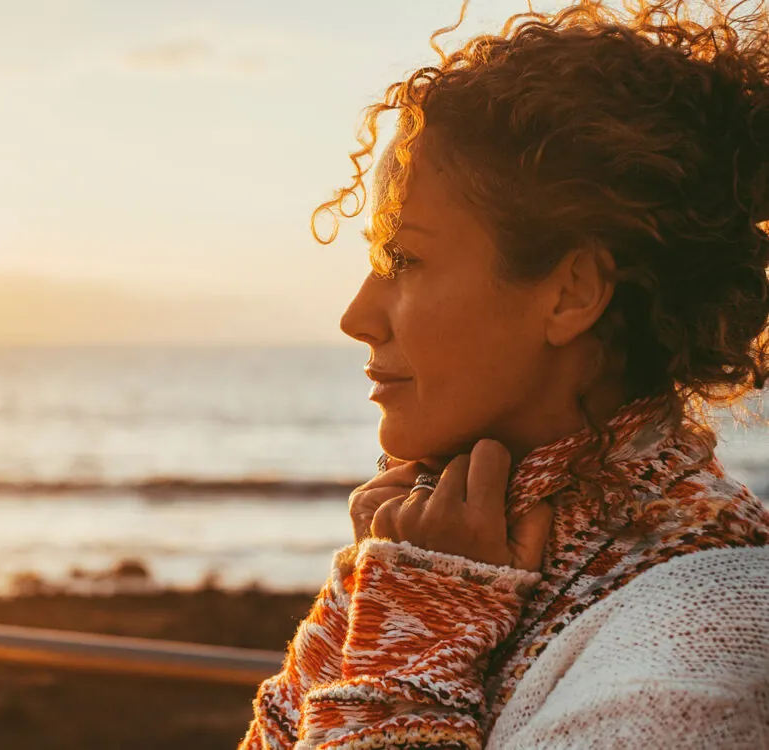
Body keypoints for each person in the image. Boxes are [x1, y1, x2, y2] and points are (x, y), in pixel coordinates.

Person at [239, 1, 769, 748]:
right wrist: (377, 596)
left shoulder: (701, 644)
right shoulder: (447, 554)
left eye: (404, 260)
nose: (356, 315)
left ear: (570, 292)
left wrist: (411, 646)